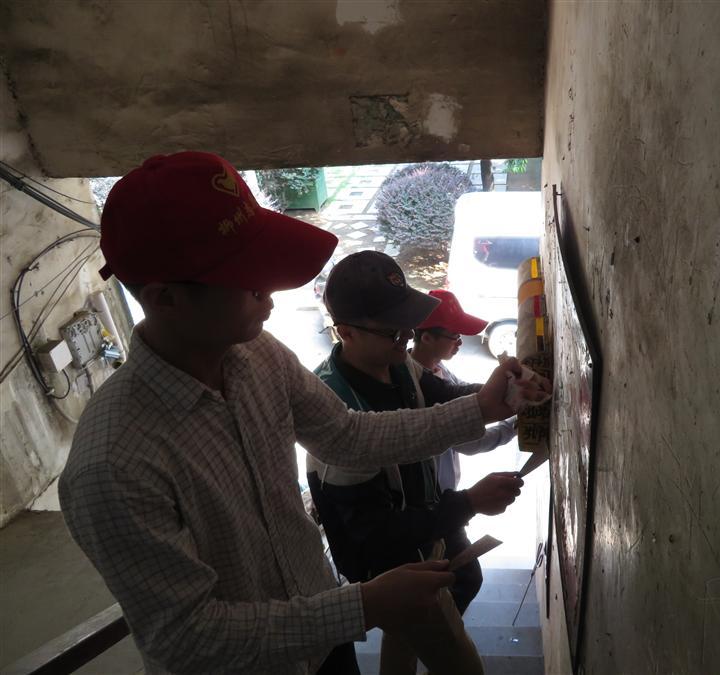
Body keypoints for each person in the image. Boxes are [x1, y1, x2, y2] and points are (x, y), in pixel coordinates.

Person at [58, 152, 548, 675]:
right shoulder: (112, 467)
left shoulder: (257, 354)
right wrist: (363, 605)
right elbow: (187, 636)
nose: (270, 295)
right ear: (166, 299)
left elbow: (346, 436)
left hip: (326, 640)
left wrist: (482, 407)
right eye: (248, 280)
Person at [306, 251, 524, 675]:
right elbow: (378, 536)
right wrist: (470, 503)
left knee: (403, 641)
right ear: (345, 332)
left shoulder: (397, 361)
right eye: (393, 330)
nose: (408, 336)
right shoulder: (333, 414)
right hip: (393, 569)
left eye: (408, 321)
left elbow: (442, 396)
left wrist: (503, 391)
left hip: (426, 536)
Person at [410, 289, 517, 493]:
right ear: (427, 338)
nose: (460, 342)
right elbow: (472, 443)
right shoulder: (420, 391)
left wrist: (506, 388)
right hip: (436, 493)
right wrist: (514, 424)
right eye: (454, 336)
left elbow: (461, 390)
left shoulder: (437, 366)